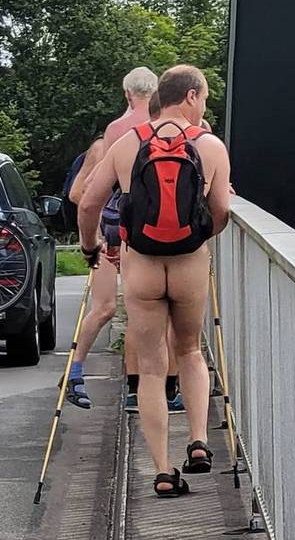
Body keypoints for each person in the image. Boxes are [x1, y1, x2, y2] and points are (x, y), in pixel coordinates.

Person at [78, 65, 231, 497]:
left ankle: (163, 470)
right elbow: (221, 210)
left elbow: (88, 202)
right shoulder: (210, 146)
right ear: (191, 96)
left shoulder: (129, 143)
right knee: (190, 351)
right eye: (203, 98)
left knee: (149, 367)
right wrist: (200, 235)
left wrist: (90, 247)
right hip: (189, 263)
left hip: (141, 264)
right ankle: (197, 441)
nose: (203, 107)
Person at [67, 68, 185, 414]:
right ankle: (159, 389)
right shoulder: (170, 129)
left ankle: (85, 375)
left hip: (111, 230)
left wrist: (93, 233)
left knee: (116, 309)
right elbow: (86, 192)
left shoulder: (113, 133)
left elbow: (82, 194)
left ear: (127, 93)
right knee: (147, 311)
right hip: (135, 232)